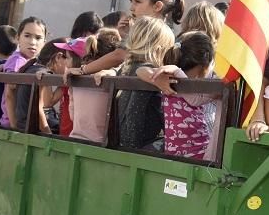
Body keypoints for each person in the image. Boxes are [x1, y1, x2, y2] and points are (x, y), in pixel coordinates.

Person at [73, 0, 184, 77]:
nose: (132, 8)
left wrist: (83, 70)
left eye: (137, 2)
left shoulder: (151, 30)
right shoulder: (162, 31)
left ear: (157, 6)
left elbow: (119, 55)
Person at [153, 31, 220, 160]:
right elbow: (194, 100)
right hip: (190, 152)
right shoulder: (169, 78)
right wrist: (176, 73)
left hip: (194, 151)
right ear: (204, 65)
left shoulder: (170, 77)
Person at [116, 18, 173, 149]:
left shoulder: (125, 69)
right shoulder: (153, 74)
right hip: (141, 145)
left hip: (122, 143)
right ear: (160, 50)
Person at [69, 28, 122, 142]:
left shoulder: (76, 77)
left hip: (75, 139)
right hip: (103, 145)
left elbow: (72, 116)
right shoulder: (114, 78)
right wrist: (115, 71)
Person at [0, 16, 47, 129]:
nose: (32, 42)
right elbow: (9, 95)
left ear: (44, 42)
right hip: (16, 122)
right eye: (27, 36)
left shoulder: (28, 61)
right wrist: (14, 127)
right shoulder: (18, 60)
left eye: (38, 38)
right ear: (17, 38)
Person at [15, 39, 68, 132]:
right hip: (34, 129)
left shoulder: (31, 68)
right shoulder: (44, 73)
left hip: (23, 126)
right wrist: (67, 81)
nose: (71, 65)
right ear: (58, 57)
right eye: (70, 59)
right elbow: (47, 103)